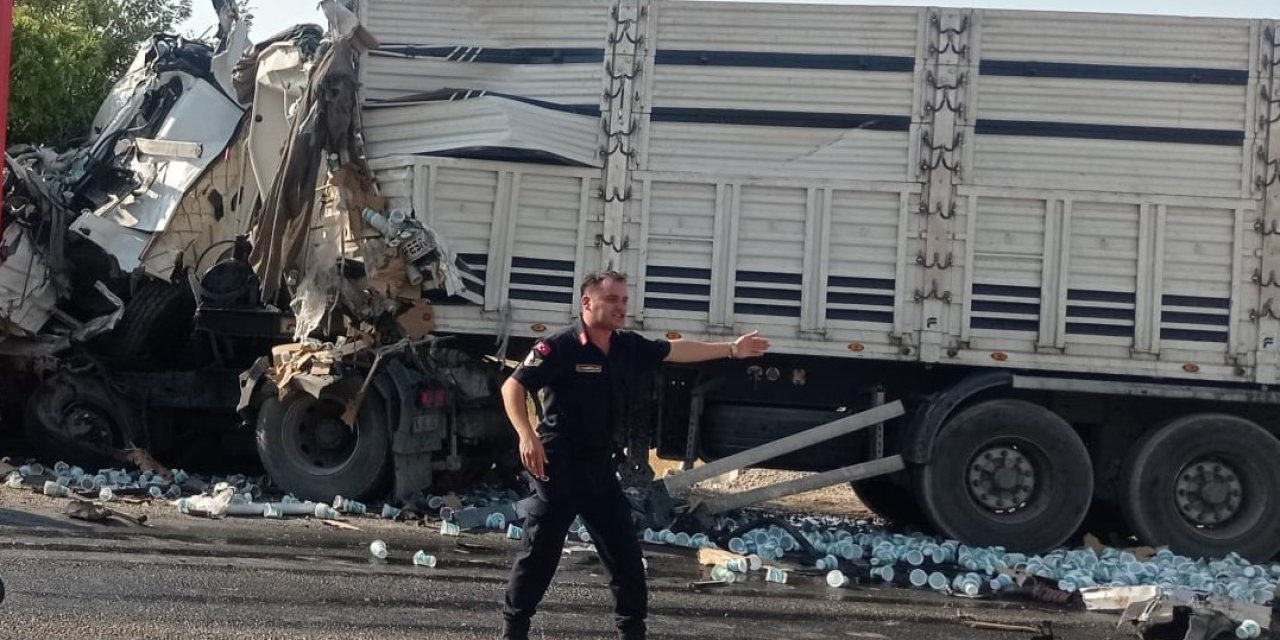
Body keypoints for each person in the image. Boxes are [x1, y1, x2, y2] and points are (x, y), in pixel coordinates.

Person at [499, 269, 770, 640]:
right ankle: (514, 630)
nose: (621, 308)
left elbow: (676, 350)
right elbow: (512, 387)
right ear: (587, 302)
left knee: (626, 558)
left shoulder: (626, 346)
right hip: (557, 467)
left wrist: (731, 349)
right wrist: (526, 435)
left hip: (600, 469)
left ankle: (632, 633)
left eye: (624, 300)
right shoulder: (559, 347)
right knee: (540, 557)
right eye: (612, 300)